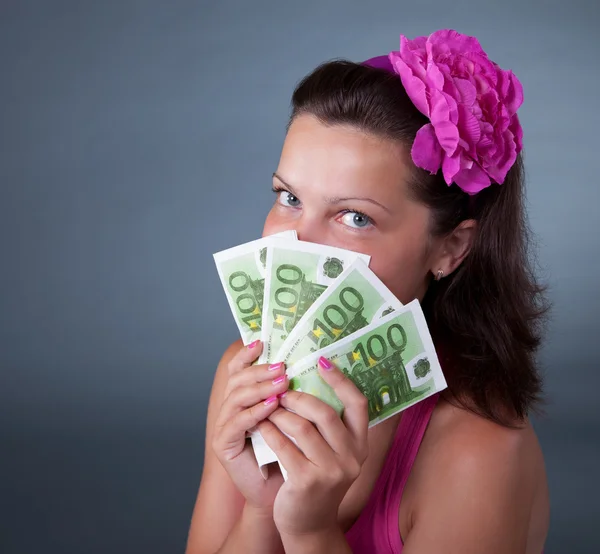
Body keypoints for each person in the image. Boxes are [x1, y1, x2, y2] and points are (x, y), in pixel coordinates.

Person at [186, 29, 550, 554]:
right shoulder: (243, 376)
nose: (297, 243)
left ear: (449, 249)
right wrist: (264, 511)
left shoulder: (479, 449)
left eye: (354, 216)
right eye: (288, 197)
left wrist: (309, 531)